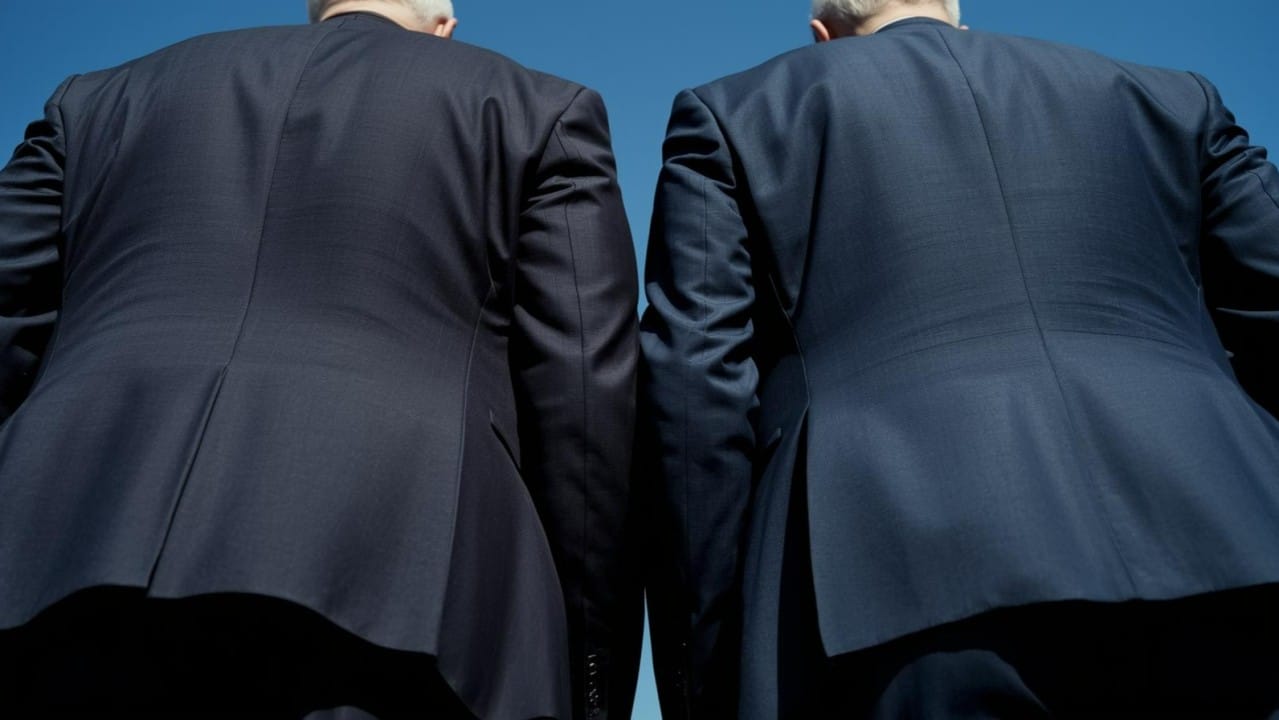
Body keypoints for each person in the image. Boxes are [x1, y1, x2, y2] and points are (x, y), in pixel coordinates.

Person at [0, 0, 642, 717]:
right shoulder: (539, 110)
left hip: (53, 562)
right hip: (396, 599)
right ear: (444, 28)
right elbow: (585, 400)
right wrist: (590, 671)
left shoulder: (91, 101)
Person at [639, 0, 1279, 716]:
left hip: (895, 586)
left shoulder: (733, 113)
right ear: (956, 14)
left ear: (822, 37)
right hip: (1229, 541)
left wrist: (709, 662)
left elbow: (696, 389)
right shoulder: (1173, 99)